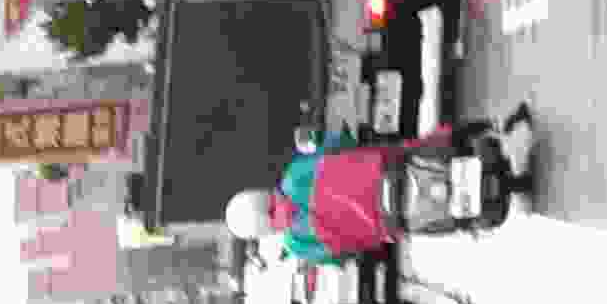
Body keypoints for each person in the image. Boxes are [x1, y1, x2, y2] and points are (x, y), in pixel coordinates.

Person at [223, 106, 538, 262]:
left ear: (261, 232)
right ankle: (497, 124)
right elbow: (339, 145)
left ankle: (496, 203)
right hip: (388, 167)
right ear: (259, 194)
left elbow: (343, 254)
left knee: (452, 224)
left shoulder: (297, 244)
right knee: (440, 140)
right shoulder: (294, 174)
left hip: (392, 221)